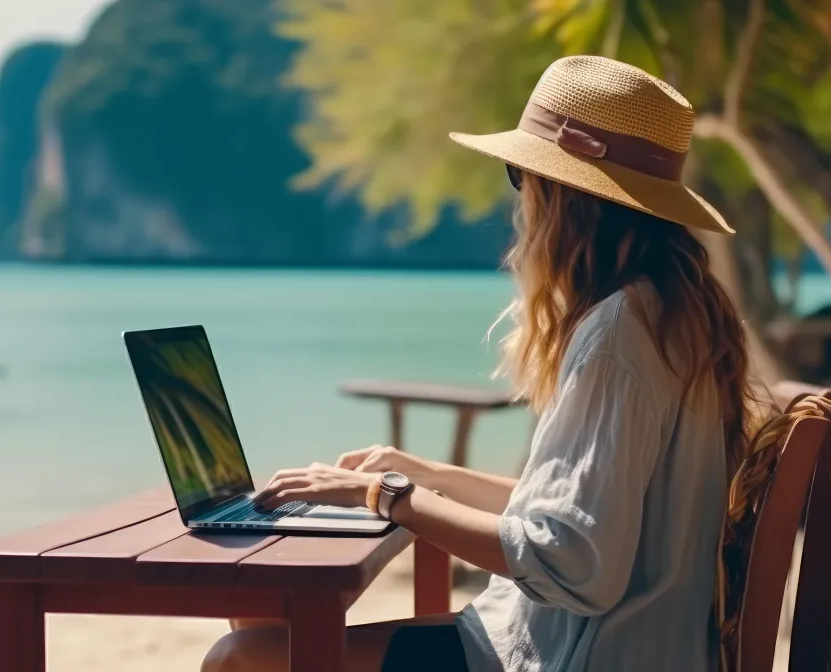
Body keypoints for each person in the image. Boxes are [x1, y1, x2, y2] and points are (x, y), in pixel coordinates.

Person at [202, 55, 756, 672]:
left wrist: (385, 495)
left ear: (565, 196)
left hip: (573, 652)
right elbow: (577, 506)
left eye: (520, 175)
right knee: (260, 618)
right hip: (598, 638)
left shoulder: (619, 334)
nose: (520, 202)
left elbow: (574, 564)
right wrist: (427, 473)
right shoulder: (676, 313)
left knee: (239, 657)